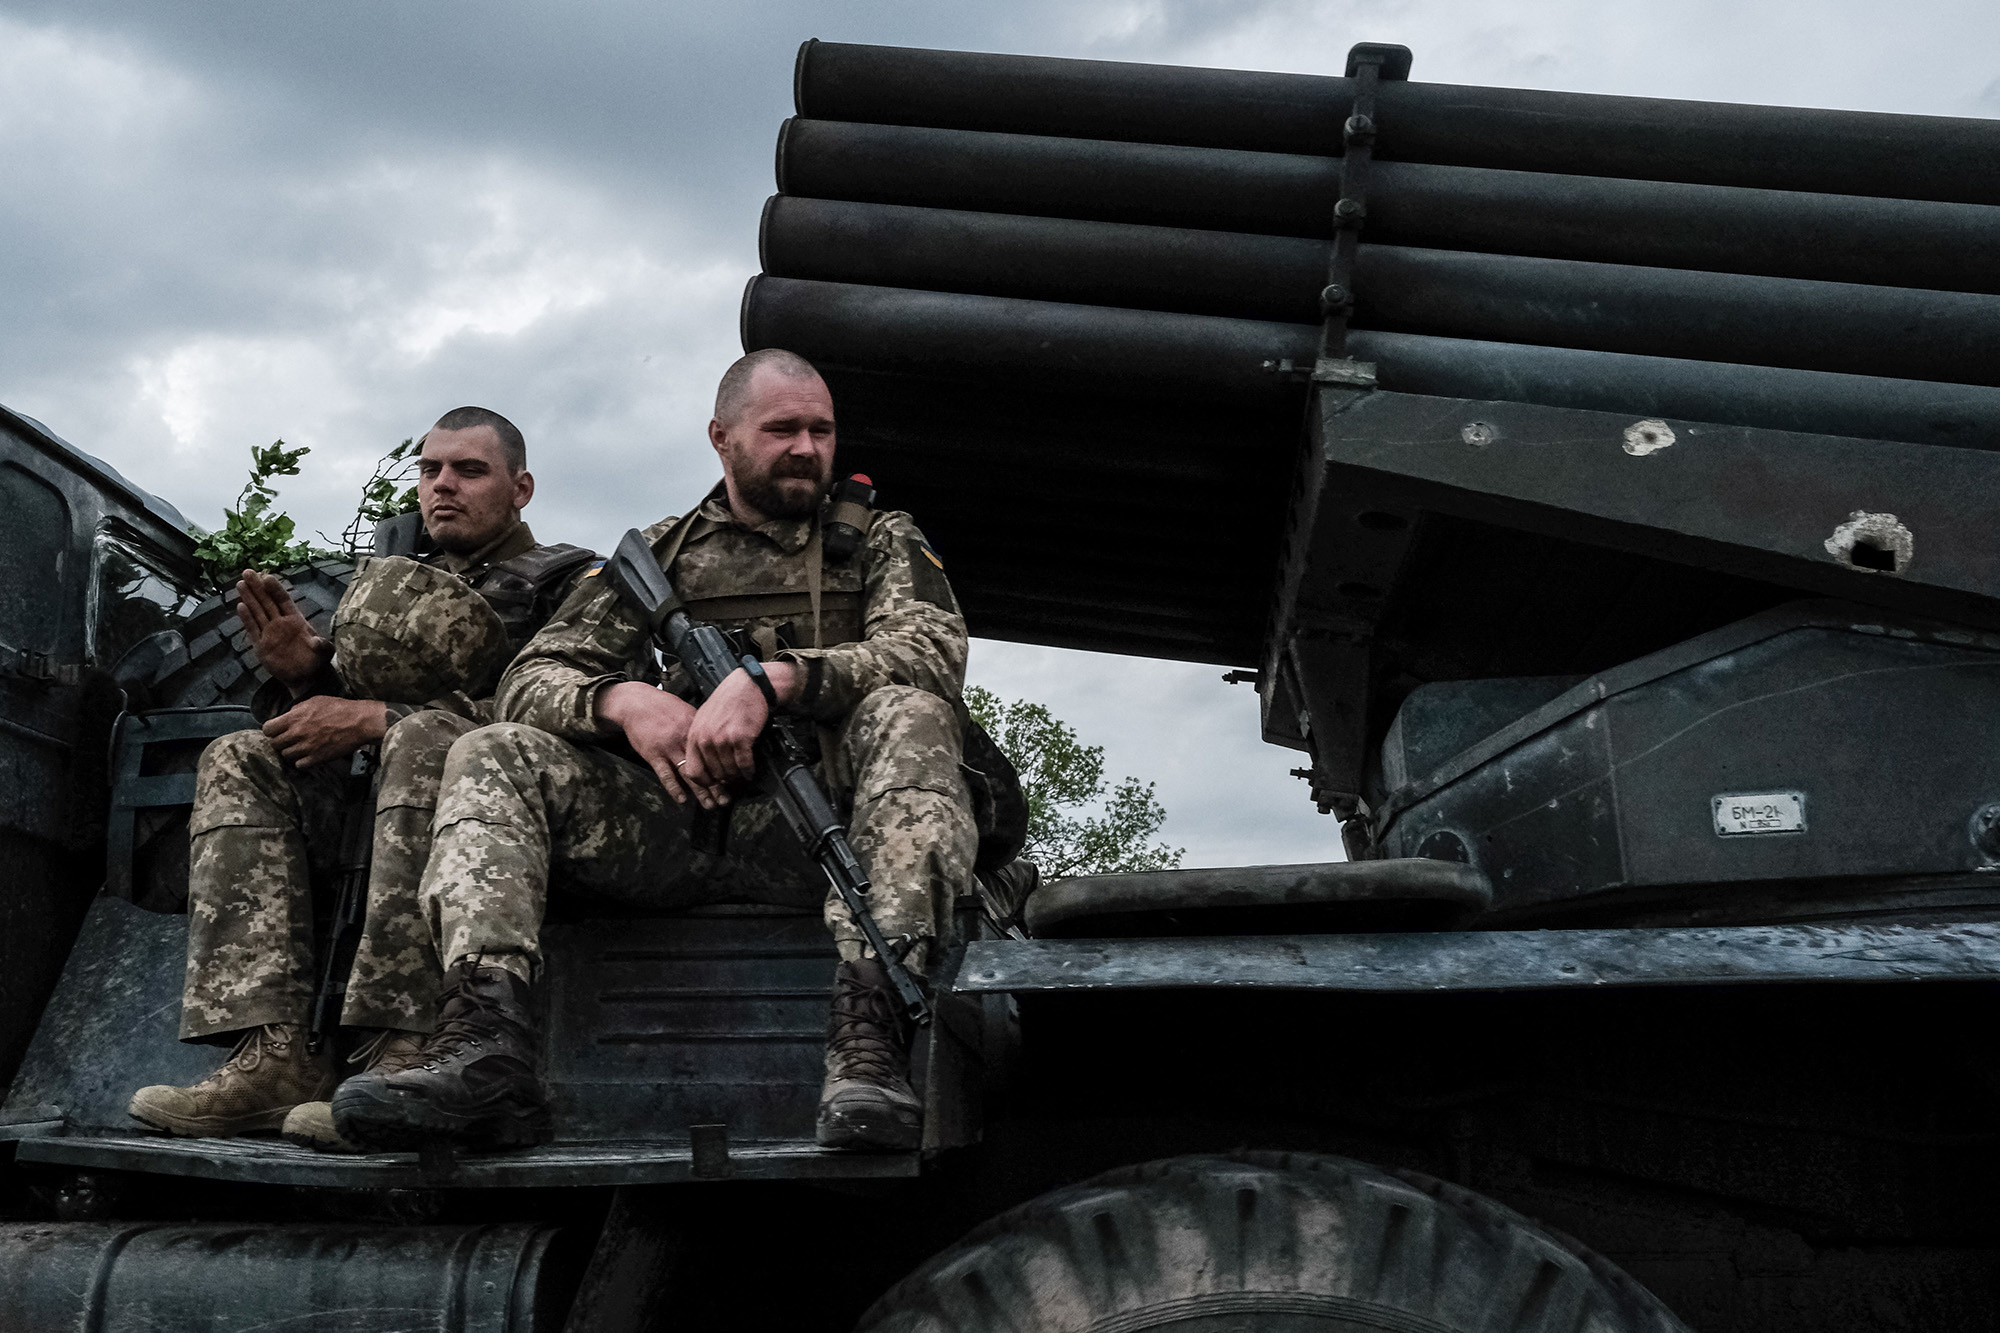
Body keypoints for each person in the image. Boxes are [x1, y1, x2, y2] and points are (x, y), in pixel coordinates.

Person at [331, 350, 976, 1153]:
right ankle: (484, 1042)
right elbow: (532, 675)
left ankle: (869, 1047)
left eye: (821, 429)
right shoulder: (662, 554)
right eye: (781, 429)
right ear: (721, 437)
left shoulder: (882, 540)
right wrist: (624, 701)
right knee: (495, 747)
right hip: (672, 826)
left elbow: (930, 653)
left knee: (912, 711)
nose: (807, 448)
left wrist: (778, 680)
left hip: (825, 835)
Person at [127, 406, 596, 1151]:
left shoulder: (571, 580)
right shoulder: (388, 582)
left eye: (469, 470)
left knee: (423, 736)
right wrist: (307, 672)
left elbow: (561, 710)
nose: (443, 485)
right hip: (368, 799)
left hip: (493, 821)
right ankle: (274, 1055)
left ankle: (407, 1046)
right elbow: (342, 704)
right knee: (239, 756)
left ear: (521, 487)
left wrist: (385, 715)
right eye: (431, 468)